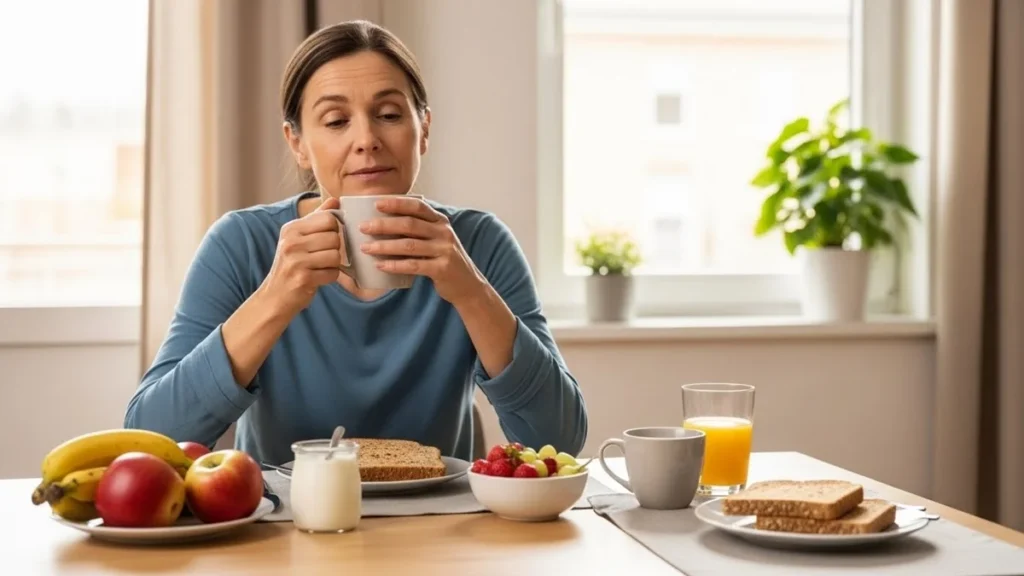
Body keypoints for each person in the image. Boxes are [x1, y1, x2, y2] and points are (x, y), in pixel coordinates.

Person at [124, 20, 588, 466]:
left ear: (424, 129)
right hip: (286, 517)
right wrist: (276, 297)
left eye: (389, 115)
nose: (366, 139)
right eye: (335, 120)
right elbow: (152, 439)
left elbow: (559, 441)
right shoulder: (241, 243)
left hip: (442, 515)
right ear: (297, 143)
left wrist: (471, 292)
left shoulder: (478, 244)